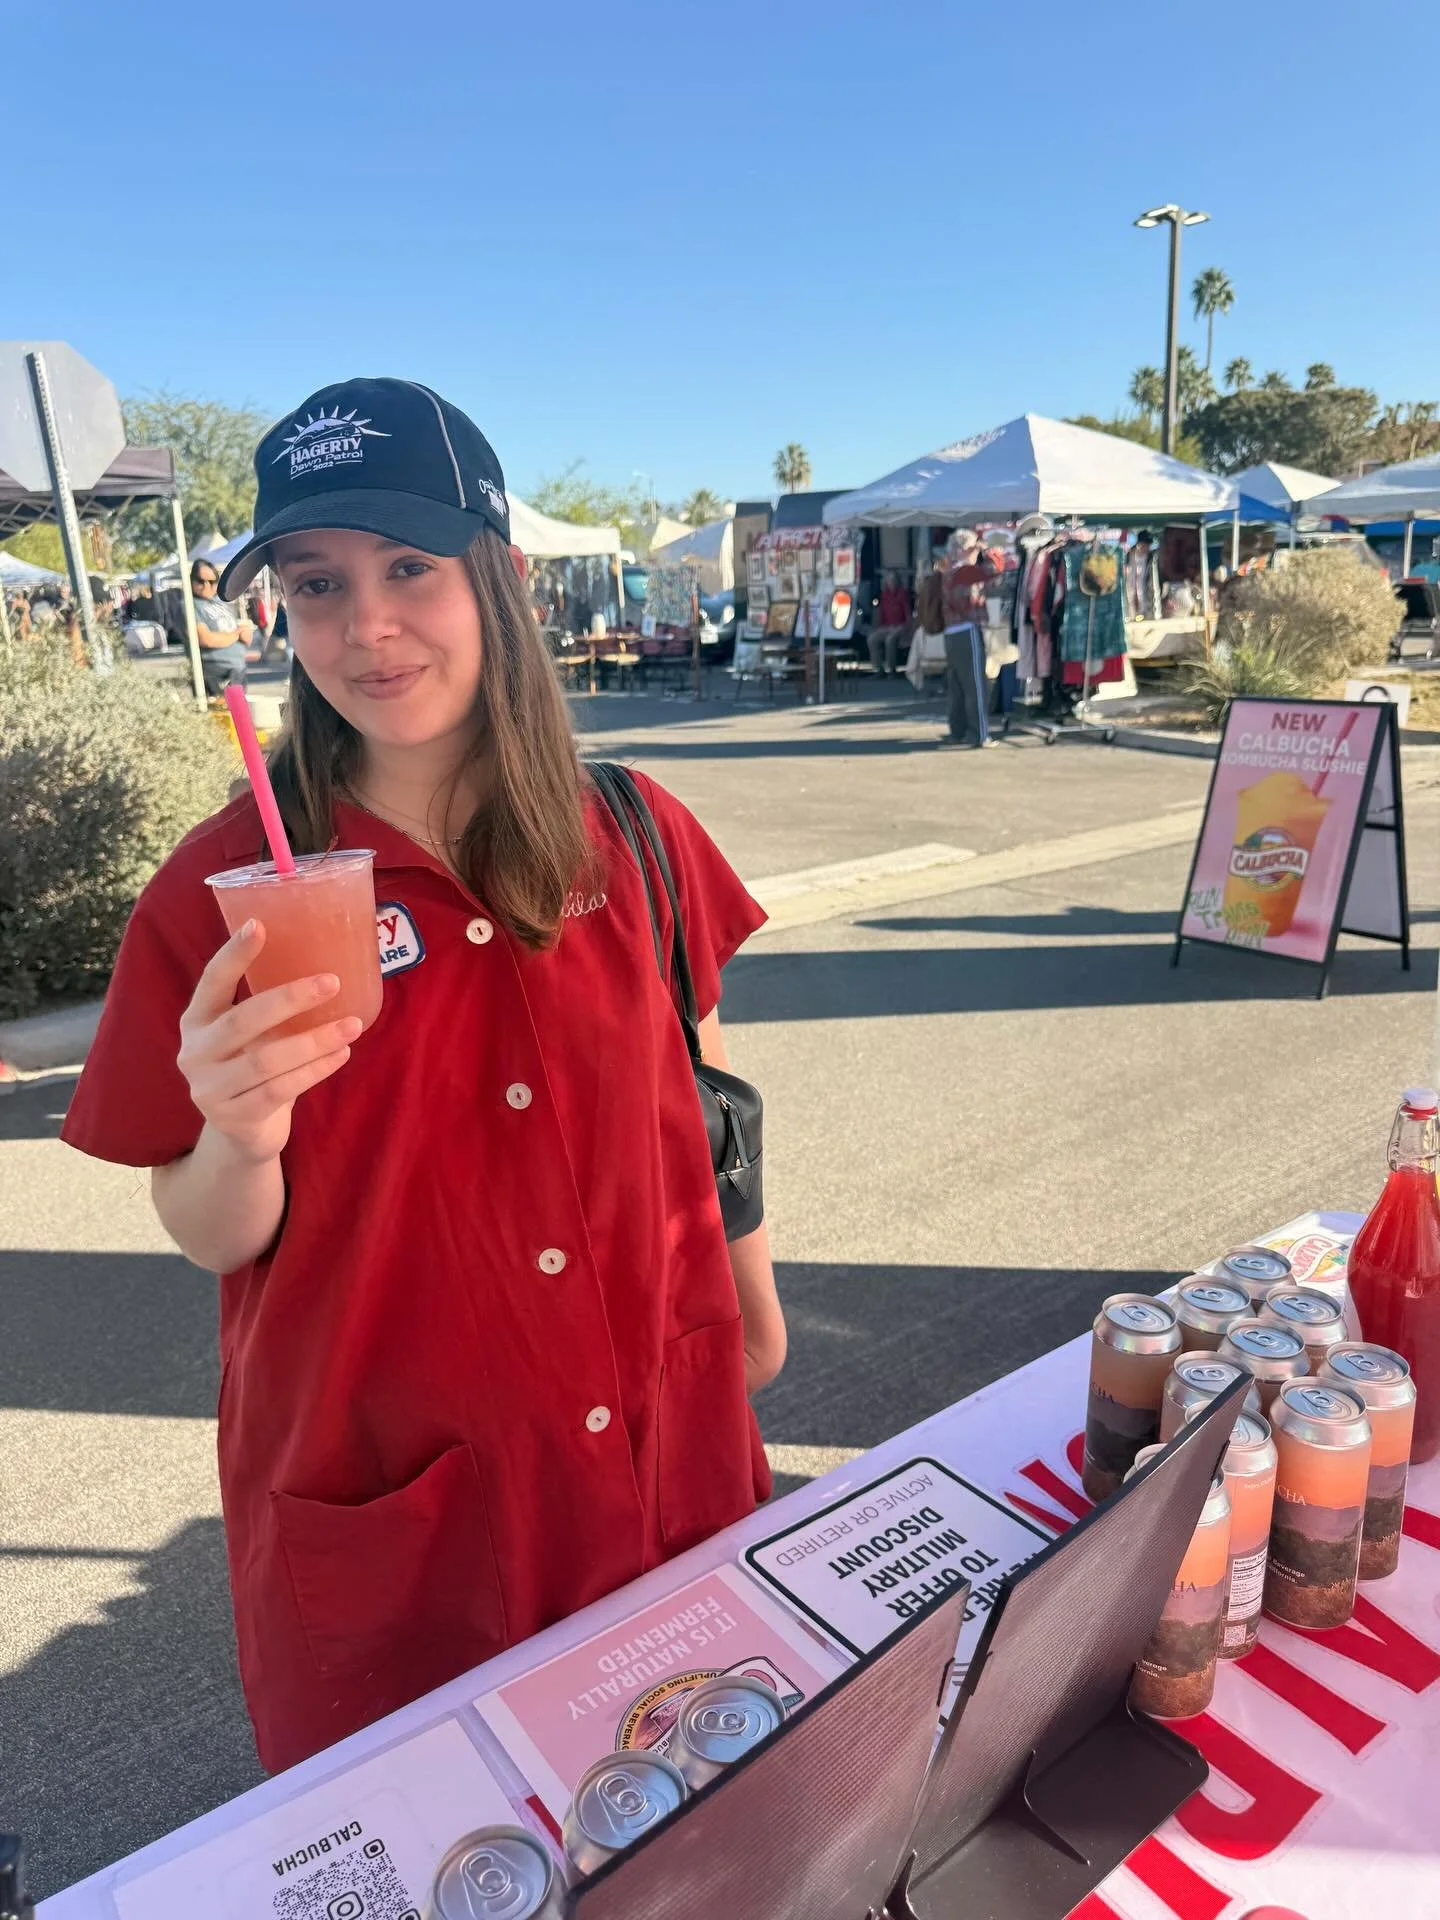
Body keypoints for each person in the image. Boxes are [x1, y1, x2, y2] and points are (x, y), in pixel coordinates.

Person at [60, 376, 786, 1776]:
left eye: (409, 569)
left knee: (712, 1826)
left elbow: (701, 1096)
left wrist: (747, 1310)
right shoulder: (217, 889)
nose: (364, 627)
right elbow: (212, 1231)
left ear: (501, 581)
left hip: (666, 1455)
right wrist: (237, 1126)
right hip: (406, 1537)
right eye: (316, 584)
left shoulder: (632, 834)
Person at [941, 528, 997, 748]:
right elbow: (994, 569)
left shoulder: (947, 571)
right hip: (966, 631)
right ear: (964, 549)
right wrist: (990, 550)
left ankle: (958, 731)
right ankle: (980, 734)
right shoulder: (964, 571)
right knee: (976, 685)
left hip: (951, 633)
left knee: (957, 687)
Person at [190, 557, 254, 695]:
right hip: (216, 673)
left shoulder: (221, 603)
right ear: (192, 581)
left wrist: (243, 633)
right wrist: (235, 635)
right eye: (201, 581)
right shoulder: (190, 605)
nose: (207, 586)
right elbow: (206, 639)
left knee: (239, 715)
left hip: (238, 669)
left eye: (212, 582)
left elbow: (244, 634)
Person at [867, 571, 911, 675]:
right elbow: (882, 613)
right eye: (890, 581)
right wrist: (878, 627)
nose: (892, 583)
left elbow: (908, 614)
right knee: (871, 639)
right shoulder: (884, 595)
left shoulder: (903, 594)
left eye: (894, 580)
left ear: (897, 582)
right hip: (887, 626)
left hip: (900, 626)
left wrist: (907, 628)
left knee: (890, 639)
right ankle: (878, 669)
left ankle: (891, 669)